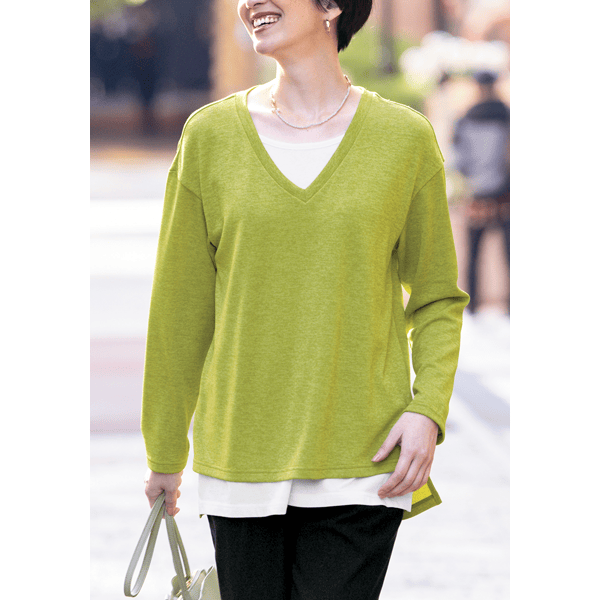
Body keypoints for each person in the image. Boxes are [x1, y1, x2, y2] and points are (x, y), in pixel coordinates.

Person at [142, 1, 469, 598]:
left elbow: (436, 297)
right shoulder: (209, 137)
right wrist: (165, 451)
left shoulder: (403, 139)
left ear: (331, 6)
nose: (250, 3)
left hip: (364, 459)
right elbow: (179, 311)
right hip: (240, 460)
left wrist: (428, 410)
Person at [452, 70, 510, 314]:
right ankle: (507, 308)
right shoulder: (507, 116)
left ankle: (473, 307)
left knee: (474, 253)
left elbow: (458, 160)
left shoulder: (465, 119)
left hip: (477, 193)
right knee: (509, 254)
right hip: (504, 193)